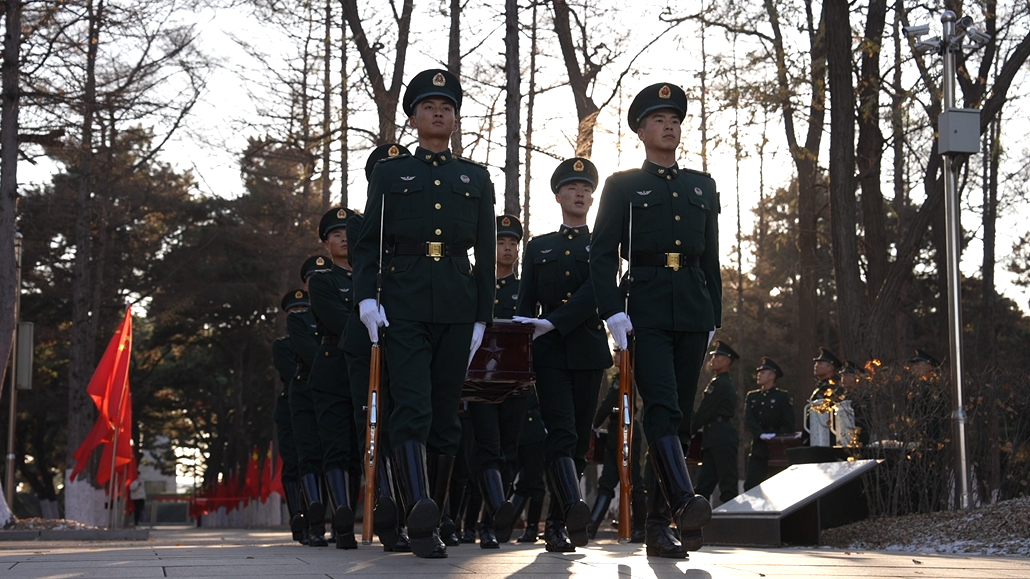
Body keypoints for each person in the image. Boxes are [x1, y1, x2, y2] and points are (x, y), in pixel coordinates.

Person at [353, 69, 495, 559]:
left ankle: (432, 509)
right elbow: (368, 240)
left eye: (448, 107)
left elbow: (483, 251)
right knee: (411, 407)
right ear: (413, 118)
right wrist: (366, 297)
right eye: (430, 106)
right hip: (405, 300)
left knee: (445, 416)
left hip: (457, 302)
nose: (440, 113)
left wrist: (482, 316)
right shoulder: (390, 174)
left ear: (455, 118)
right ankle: (421, 514)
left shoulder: (475, 178)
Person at [590, 82, 720, 558]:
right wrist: (612, 312)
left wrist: (715, 317)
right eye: (659, 119)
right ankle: (684, 500)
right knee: (661, 406)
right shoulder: (623, 185)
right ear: (641, 131)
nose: (670, 125)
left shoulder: (700, 186)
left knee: (679, 418)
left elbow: (710, 258)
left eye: (675, 119)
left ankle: (658, 525)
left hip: (692, 305)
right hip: (642, 306)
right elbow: (602, 253)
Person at [514, 157, 613, 553]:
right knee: (561, 433)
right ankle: (564, 516)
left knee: (578, 442)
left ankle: (561, 518)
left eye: (587, 189)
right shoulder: (538, 247)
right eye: (573, 188)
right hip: (549, 353)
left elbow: (598, 291)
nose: (581, 193)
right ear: (558, 196)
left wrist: (555, 321)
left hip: (588, 350)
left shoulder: (604, 244)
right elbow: (524, 304)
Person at [341, 144, 412, 552]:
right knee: (370, 424)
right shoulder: (359, 223)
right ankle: (384, 505)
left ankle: (405, 508)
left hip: (406, 333)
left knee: (403, 419)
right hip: (365, 337)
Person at [464, 215, 527, 548]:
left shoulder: (524, 288)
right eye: (501, 242)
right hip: (479, 383)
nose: (507, 248)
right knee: (487, 449)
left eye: (513, 243)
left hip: (516, 383)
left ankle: (492, 520)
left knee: (509, 451)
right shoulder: (475, 284)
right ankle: (482, 524)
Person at [308, 207, 360, 549]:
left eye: (348, 233)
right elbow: (341, 322)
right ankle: (341, 517)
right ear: (327, 244)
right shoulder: (323, 280)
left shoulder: (375, 277)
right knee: (337, 447)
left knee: (361, 449)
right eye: (337, 235)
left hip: (371, 367)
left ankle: (354, 513)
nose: (344, 239)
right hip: (335, 368)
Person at [290, 256, 333, 546]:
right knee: (309, 455)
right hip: (307, 392)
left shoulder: (340, 308)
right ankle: (314, 522)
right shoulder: (298, 318)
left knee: (334, 453)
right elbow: (309, 352)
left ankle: (332, 518)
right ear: (305, 285)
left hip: (335, 392)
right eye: (312, 278)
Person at [586, 349, 646, 542]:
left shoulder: (626, 377)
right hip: (616, 432)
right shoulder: (620, 377)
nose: (615, 356)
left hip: (625, 431)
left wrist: (594, 424)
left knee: (633, 480)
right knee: (607, 482)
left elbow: (610, 404)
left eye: (619, 353)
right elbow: (613, 406)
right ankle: (591, 527)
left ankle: (639, 529)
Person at [274, 289, 310, 543]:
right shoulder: (282, 346)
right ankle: (297, 516)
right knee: (293, 462)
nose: (299, 315)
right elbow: (290, 373)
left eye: (304, 310)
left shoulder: (321, 341)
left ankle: (314, 516)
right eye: (294, 312)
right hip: (290, 404)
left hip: (318, 403)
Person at [692, 340, 740, 505]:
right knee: (705, 482)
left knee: (728, 483)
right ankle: (696, 518)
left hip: (722, 436)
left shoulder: (720, 383)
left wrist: (689, 429)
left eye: (717, 356)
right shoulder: (719, 382)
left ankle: (732, 521)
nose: (713, 359)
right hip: (714, 436)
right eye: (713, 356)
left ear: (727, 361)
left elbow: (705, 411)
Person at [743, 357, 795, 490]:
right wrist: (759, 434)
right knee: (751, 485)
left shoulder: (782, 396)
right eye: (759, 372)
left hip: (776, 446)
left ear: (772, 376)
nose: (759, 375)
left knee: (777, 485)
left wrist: (780, 439)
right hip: (759, 445)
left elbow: (789, 422)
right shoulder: (752, 396)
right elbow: (749, 418)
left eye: (763, 372)